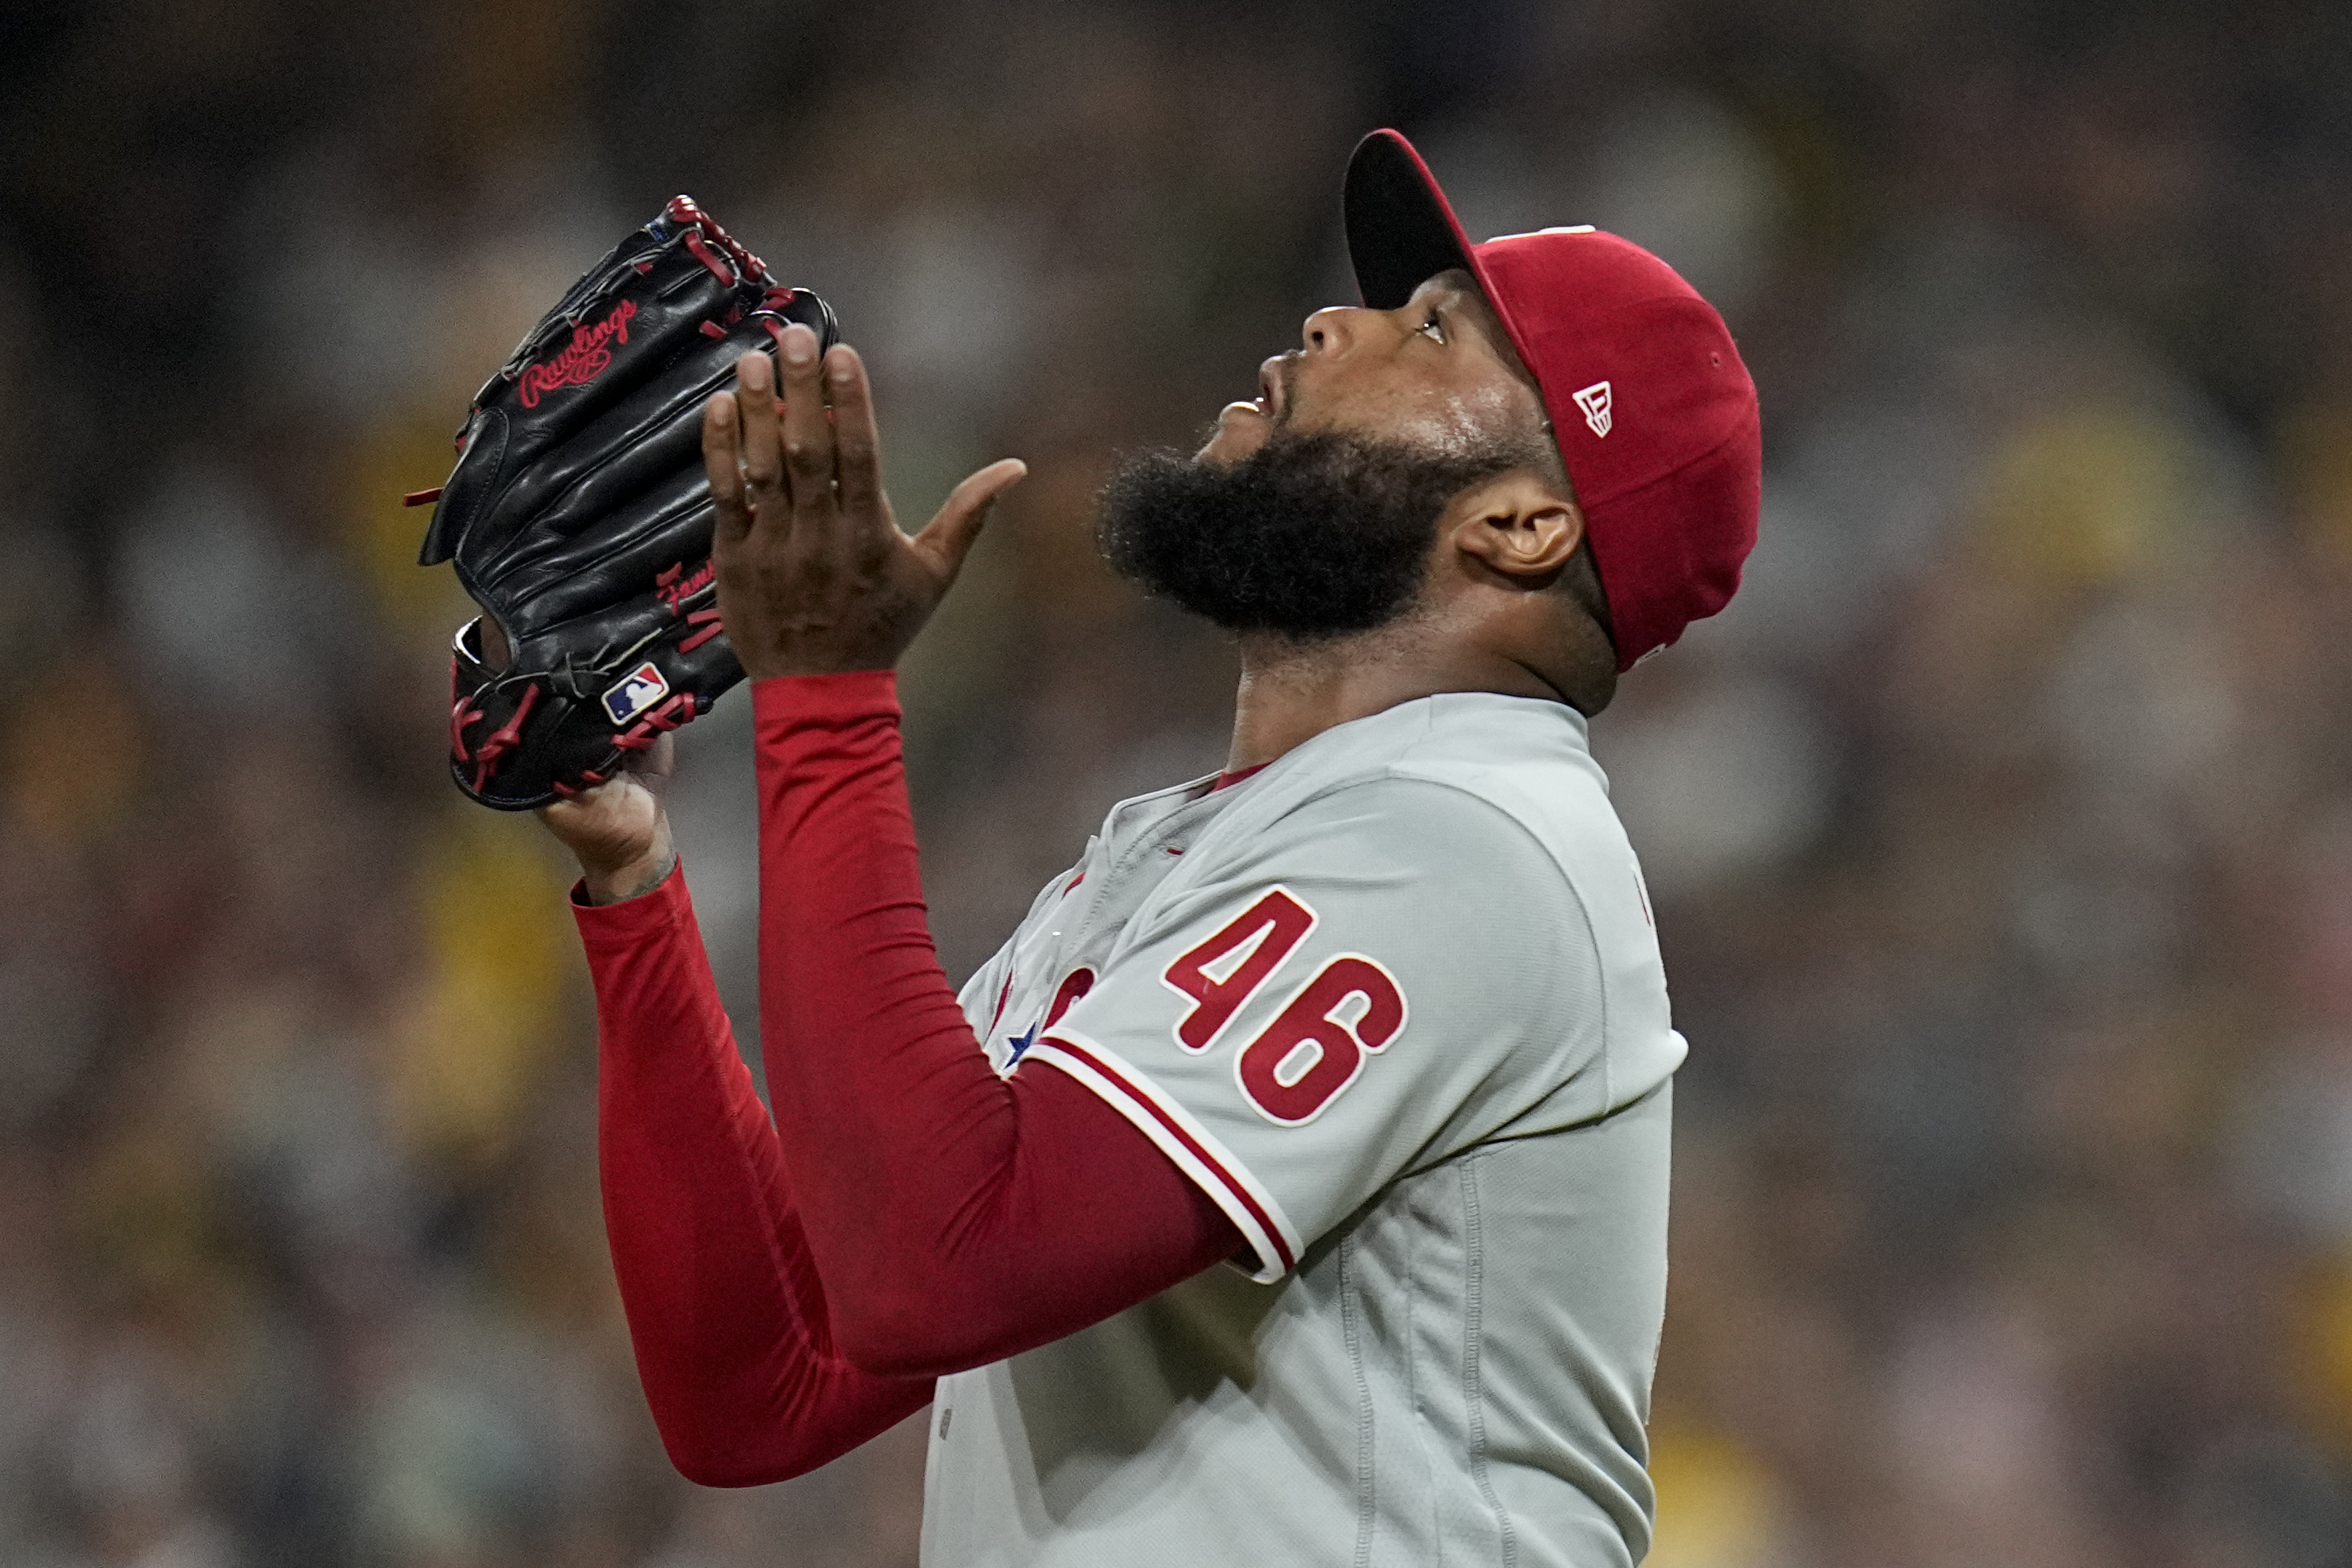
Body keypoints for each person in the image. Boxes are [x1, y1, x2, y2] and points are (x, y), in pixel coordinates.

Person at [539, 130, 1759, 1567]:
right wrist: (633, 881)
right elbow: (766, 1382)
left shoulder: (1473, 835)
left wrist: (823, 689)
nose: (1332, 318)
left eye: (1433, 332)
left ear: (1520, 523)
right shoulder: (1203, 850)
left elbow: (936, 1267)